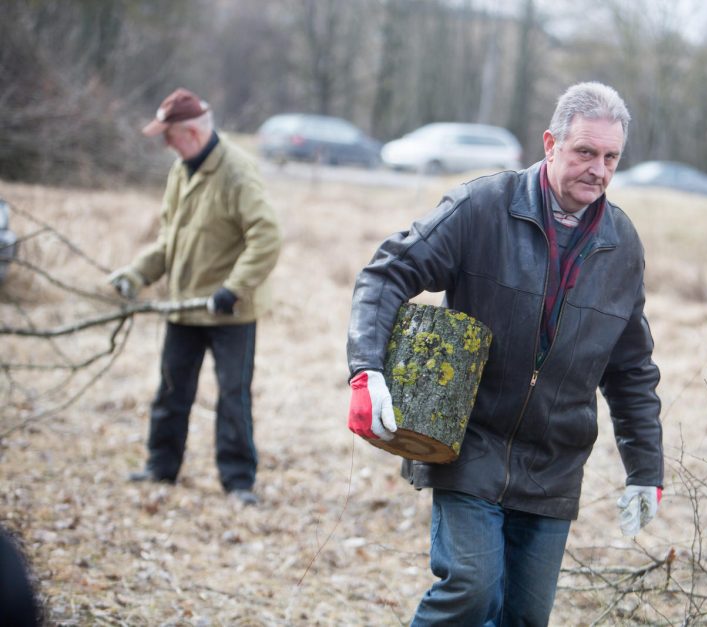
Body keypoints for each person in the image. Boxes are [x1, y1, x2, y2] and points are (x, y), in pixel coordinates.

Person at [346, 82, 663, 625]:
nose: (599, 169)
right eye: (585, 152)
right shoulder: (483, 207)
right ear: (550, 144)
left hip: (554, 463)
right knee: (471, 589)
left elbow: (631, 368)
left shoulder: (622, 244)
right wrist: (366, 370)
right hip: (469, 441)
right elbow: (386, 273)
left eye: (611, 157)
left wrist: (645, 469)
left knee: (523, 617)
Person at [109, 88, 282, 506]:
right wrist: (137, 274)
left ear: (189, 131)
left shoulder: (238, 173)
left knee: (232, 397)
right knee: (172, 389)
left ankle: (239, 482)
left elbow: (267, 237)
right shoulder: (181, 171)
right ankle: (160, 467)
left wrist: (233, 289)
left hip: (229, 312)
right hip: (185, 306)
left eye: (168, 136)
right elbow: (170, 239)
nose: (165, 144)